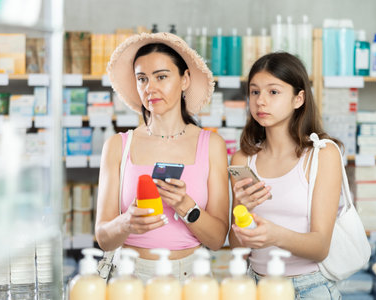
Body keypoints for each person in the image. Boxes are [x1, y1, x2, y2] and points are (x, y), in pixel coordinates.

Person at [95, 32, 229, 283]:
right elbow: (103, 237)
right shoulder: (117, 146)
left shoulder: (211, 145)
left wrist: (186, 206)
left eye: (161, 77)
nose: (150, 88)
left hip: (190, 278)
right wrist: (126, 222)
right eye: (142, 79)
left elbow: (217, 239)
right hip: (129, 277)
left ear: (185, 79)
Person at [229, 52, 342, 299]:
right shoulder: (243, 160)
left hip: (309, 288)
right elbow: (236, 246)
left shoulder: (322, 155)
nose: (261, 101)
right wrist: (243, 214)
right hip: (255, 286)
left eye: (273, 92)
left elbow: (321, 247)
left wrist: (274, 235)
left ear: (298, 99)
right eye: (255, 92)